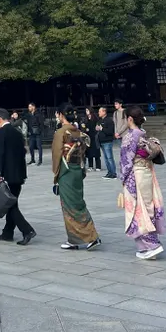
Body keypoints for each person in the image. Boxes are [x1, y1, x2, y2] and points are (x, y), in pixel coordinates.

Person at [120, 106, 166, 260]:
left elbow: (125, 161)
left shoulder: (130, 136)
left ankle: (152, 245)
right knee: (148, 208)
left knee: (138, 210)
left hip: (136, 175)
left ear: (130, 119)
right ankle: (145, 247)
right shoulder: (144, 134)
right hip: (146, 172)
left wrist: (123, 180)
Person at [52, 104, 100, 251]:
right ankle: (74, 239)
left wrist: (56, 175)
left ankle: (91, 236)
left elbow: (56, 155)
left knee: (71, 206)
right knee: (76, 203)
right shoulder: (78, 132)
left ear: (61, 115)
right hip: (77, 170)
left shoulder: (61, 132)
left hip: (66, 171)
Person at [0, 108, 35, 245]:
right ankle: (7, 233)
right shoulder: (16, 132)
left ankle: (27, 230)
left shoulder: (1, 132)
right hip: (18, 174)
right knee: (11, 202)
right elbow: (22, 152)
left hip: (7, 175)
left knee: (9, 204)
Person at [97, 106, 117, 180]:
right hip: (101, 141)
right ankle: (109, 172)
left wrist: (102, 128)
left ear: (104, 112)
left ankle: (113, 173)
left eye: (100, 111)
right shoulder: (99, 120)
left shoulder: (109, 120)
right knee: (105, 158)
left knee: (109, 158)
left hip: (107, 141)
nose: (98, 113)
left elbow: (110, 132)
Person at [81, 108, 101, 173]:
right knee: (89, 152)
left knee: (96, 152)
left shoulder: (95, 118)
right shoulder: (85, 118)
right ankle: (90, 166)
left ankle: (98, 166)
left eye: (87, 110)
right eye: (86, 110)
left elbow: (97, 126)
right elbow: (83, 126)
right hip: (88, 137)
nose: (86, 111)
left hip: (94, 136)